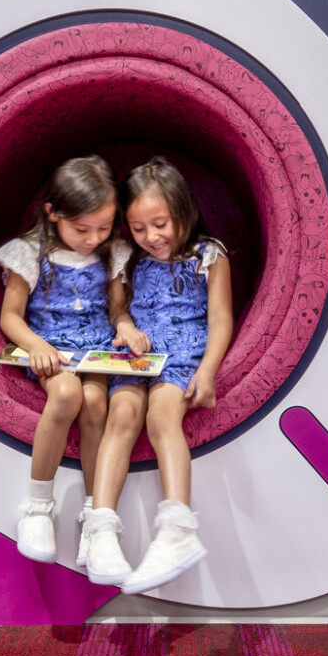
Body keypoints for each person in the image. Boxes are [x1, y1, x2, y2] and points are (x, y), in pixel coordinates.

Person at [82, 156, 235, 593]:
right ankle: (101, 531)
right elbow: (117, 306)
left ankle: (177, 530)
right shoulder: (127, 257)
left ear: (183, 211)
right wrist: (125, 326)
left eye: (160, 223)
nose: (151, 237)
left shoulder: (210, 255)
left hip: (184, 350)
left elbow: (222, 319)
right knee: (121, 416)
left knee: (161, 418)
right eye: (138, 228)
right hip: (138, 353)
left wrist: (207, 371)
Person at [0, 156, 125, 564]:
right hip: (50, 346)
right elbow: (10, 316)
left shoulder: (112, 253)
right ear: (52, 213)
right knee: (67, 393)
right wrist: (35, 345)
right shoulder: (29, 251)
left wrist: (125, 326)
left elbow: (117, 309)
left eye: (103, 228)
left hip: (97, 347)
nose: (92, 238)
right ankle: (37, 508)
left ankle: (94, 515)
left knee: (96, 403)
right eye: (81, 229)